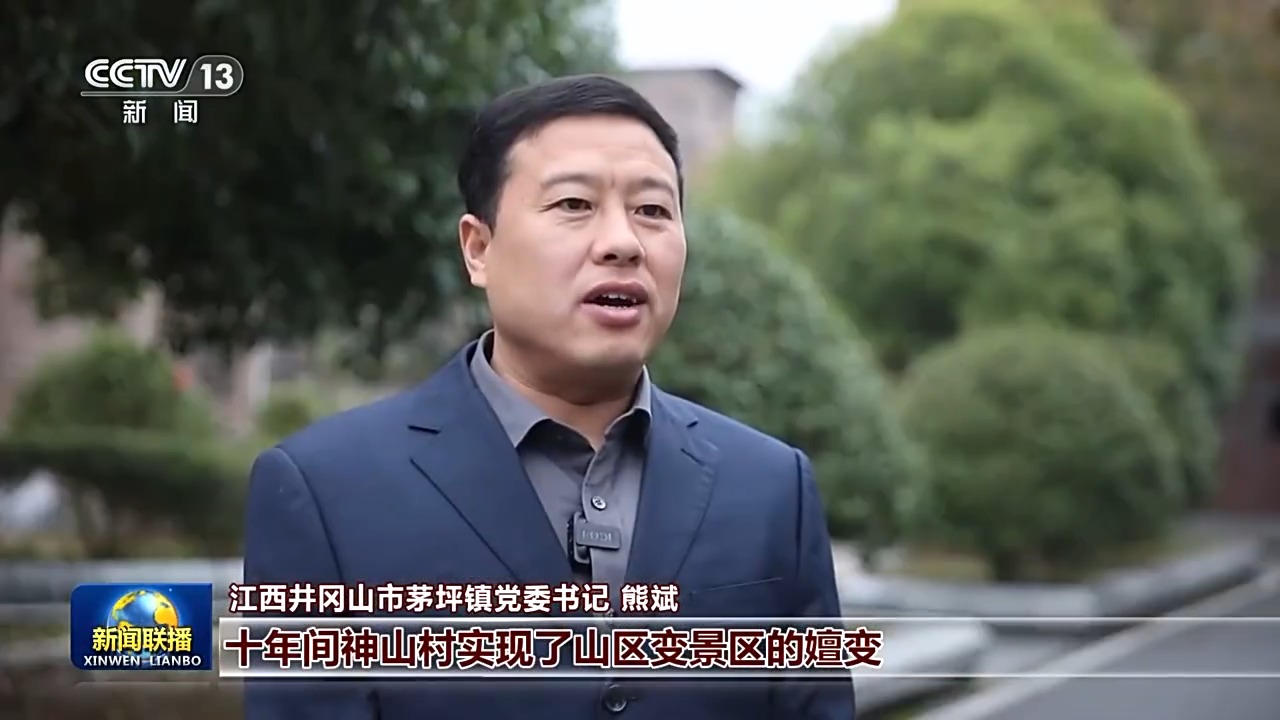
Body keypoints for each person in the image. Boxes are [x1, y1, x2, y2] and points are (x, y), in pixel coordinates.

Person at [242, 73, 855, 720]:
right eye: (573, 204)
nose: (622, 243)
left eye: (652, 210)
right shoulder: (325, 491)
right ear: (479, 249)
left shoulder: (771, 487)